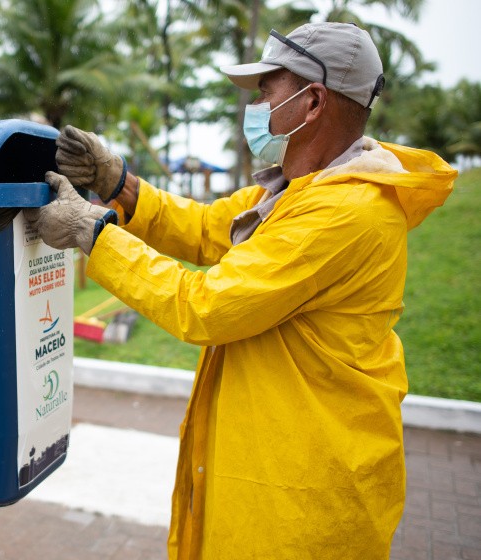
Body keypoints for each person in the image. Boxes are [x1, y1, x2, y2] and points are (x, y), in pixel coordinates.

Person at [25, 22, 457, 559]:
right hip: (278, 469)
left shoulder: (343, 212)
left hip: (303, 498)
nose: (256, 106)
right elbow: (209, 227)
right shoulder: (300, 192)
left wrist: (94, 233)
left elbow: (207, 306)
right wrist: (120, 185)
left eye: (267, 92)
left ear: (313, 102)